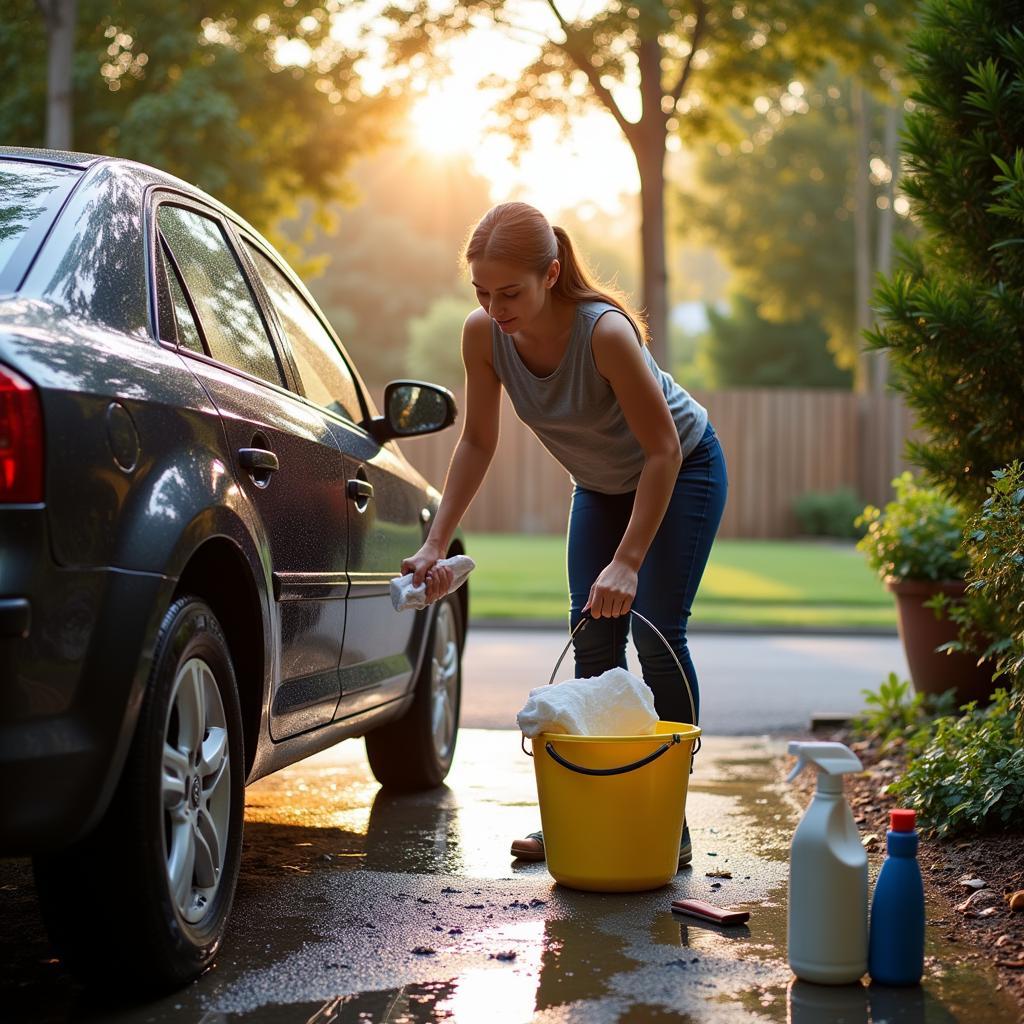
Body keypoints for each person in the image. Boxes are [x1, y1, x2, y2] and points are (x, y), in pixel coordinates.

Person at [401, 201, 728, 865]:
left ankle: (669, 817)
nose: (495, 308)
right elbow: (477, 442)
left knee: (656, 629)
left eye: (510, 292)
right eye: (481, 293)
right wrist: (436, 543)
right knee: (593, 640)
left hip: (682, 467)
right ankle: (586, 807)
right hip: (602, 486)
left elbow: (663, 450)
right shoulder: (483, 336)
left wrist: (629, 561)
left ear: (551, 274)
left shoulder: (604, 334)